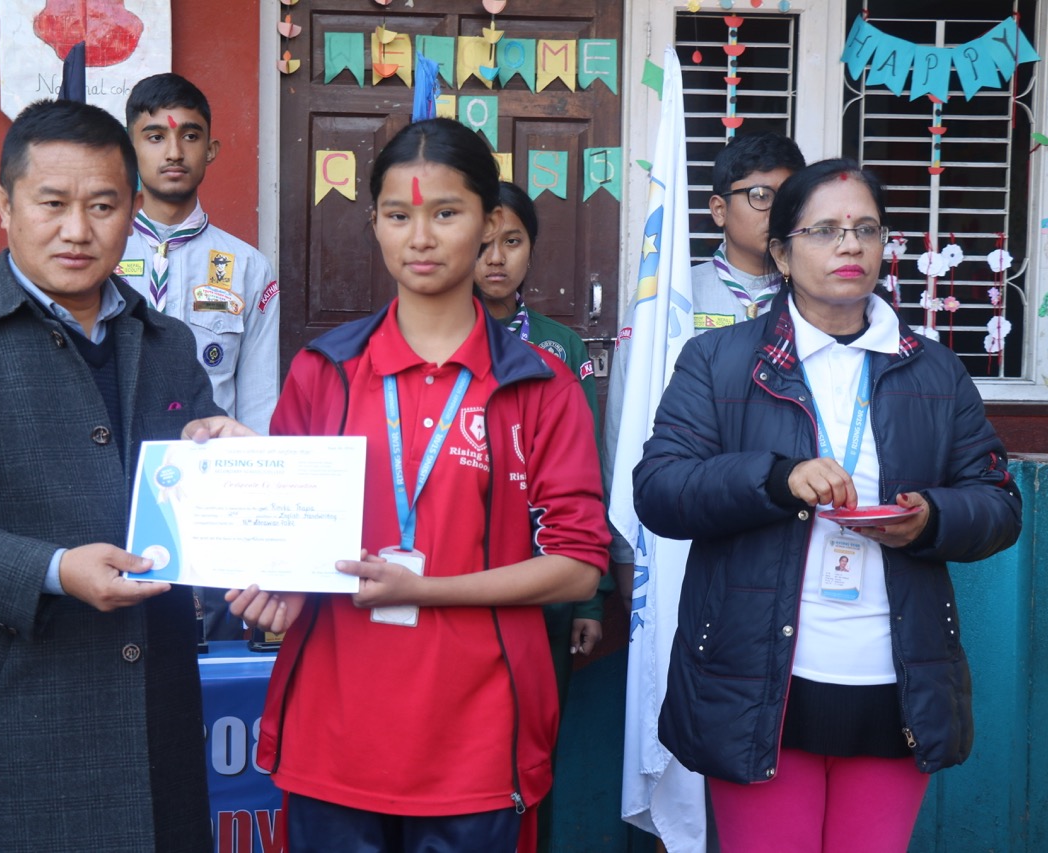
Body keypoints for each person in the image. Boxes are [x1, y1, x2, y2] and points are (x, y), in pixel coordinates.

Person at [0, 99, 239, 852]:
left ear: (133, 210)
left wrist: (231, 463)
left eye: (102, 205)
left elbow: (195, 497)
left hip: (154, 722)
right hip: (14, 727)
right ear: (4, 206)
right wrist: (55, 570)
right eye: (52, 203)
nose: (77, 230)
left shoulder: (167, 343)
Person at [228, 118, 610, 852]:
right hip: (335, 728)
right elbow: (289, 537)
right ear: (374, 222)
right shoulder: (324, 372)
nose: (421, 238)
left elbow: (576, 567)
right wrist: (273, 579)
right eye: (399, 215)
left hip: (478, 739)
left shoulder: (541, 385)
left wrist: (425, 589)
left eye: (446, 213)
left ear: (490, 223)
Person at [633, 159, 1022, 852]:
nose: (850, 244)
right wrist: (775, 479)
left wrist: (930, 519)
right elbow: (660, 489)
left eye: (866, 229)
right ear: (782, 254)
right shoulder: (718, 360)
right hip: (757, 683)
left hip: (896, 681)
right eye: (824, 230)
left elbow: (998, 504)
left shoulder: (934, 369)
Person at [472, 180, 614, 852]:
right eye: (483, 243)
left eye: (512, 241)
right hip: (455, 579)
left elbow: (590, 473)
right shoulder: (441, 339)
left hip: (546, 585)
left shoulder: (562, 347)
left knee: (532, 754)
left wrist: (593, 596)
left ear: (532, 248)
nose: (496, 258)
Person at [604, 131, 807, 593]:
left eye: (791, 197)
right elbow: (624, 420)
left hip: (787, 520)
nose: (778, 211)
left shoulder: (814, 304)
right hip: (682, 520)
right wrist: (624, 549)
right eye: (760, 196)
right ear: (718, 209)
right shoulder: (670, 299)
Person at [120, 71, 280, 640]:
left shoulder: (247, 267)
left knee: (219, 649)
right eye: (154, 136)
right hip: (118, 486)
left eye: (189, 136)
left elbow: (258, 397)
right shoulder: (99, 257)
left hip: (216, 498)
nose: (173, 151)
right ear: (129, 148)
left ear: (210, 149)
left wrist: (257, 506)